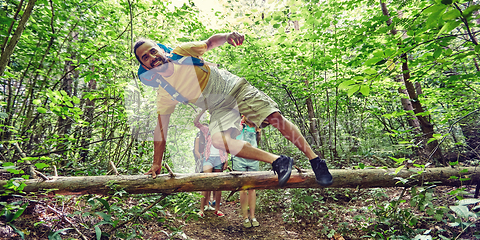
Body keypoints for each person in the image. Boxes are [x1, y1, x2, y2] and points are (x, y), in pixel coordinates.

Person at [134, 31, 333, 188]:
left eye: (153, 51)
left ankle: (316, 161)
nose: (152, 57)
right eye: (145, 57)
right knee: (220, 141)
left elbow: (209, 43)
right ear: (145, 66)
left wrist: (227, 37)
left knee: (274, 117)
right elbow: (161, 130)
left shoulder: (181, 52)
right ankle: (278, 161)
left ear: (160, 49)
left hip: (234, 88)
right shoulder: (164, 92)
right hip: (218, 107)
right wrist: (156, 163)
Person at [193, 109, 227, 217]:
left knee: (218, 186)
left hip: (219, 159)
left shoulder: (223, 131)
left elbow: (226, 146)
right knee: (206, 183)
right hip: (208, 158)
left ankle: (217, 209)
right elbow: (196, 122)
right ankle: (201, 210)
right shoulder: (207, 130)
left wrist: (225, 161)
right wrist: (203, 110)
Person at [232, 115, 261, 228]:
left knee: (252, 189)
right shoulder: (238, 125)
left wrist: (258, 131)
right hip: (239, 158)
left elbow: (257, 142)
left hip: (253, 159)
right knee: (243, 189)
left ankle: (253, 216)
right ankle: (245, 217)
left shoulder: (256, 127)